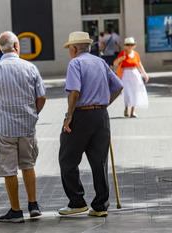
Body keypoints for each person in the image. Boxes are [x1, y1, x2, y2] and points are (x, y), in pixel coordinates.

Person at [0, 31, 46, 223]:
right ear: (16, 46)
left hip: (3, 128)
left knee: (9, 169)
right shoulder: (30, 67)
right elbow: (42, 96)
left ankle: (16, 211)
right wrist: (34, 114)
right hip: (27, 126)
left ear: (0, 47)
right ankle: (33, 204)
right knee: (28, 165)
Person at [58, 31, 123, 217]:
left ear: (73, 49)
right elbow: (118, 86)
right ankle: (100, 206)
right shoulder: (100, 62)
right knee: (99, 161)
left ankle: (77, 201)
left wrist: (69, 115)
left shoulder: (75, 63)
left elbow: (75, 92)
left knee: (67, 159)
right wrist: (102, 105)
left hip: (81, 115)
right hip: (101, 115)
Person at [113, 37, 149, 118]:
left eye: (131, 45)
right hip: (125, 74)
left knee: (135, 92)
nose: (130, 46)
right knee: (127, 92)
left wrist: (145, 74)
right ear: (125, 46)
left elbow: (139, 65)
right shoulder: (122, 53)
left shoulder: (136, 54)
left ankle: (133, 111)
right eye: (128, 45)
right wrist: (120, 59)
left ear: (134, 45)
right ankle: (126, 108)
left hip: (135, 73)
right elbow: (115, 63)